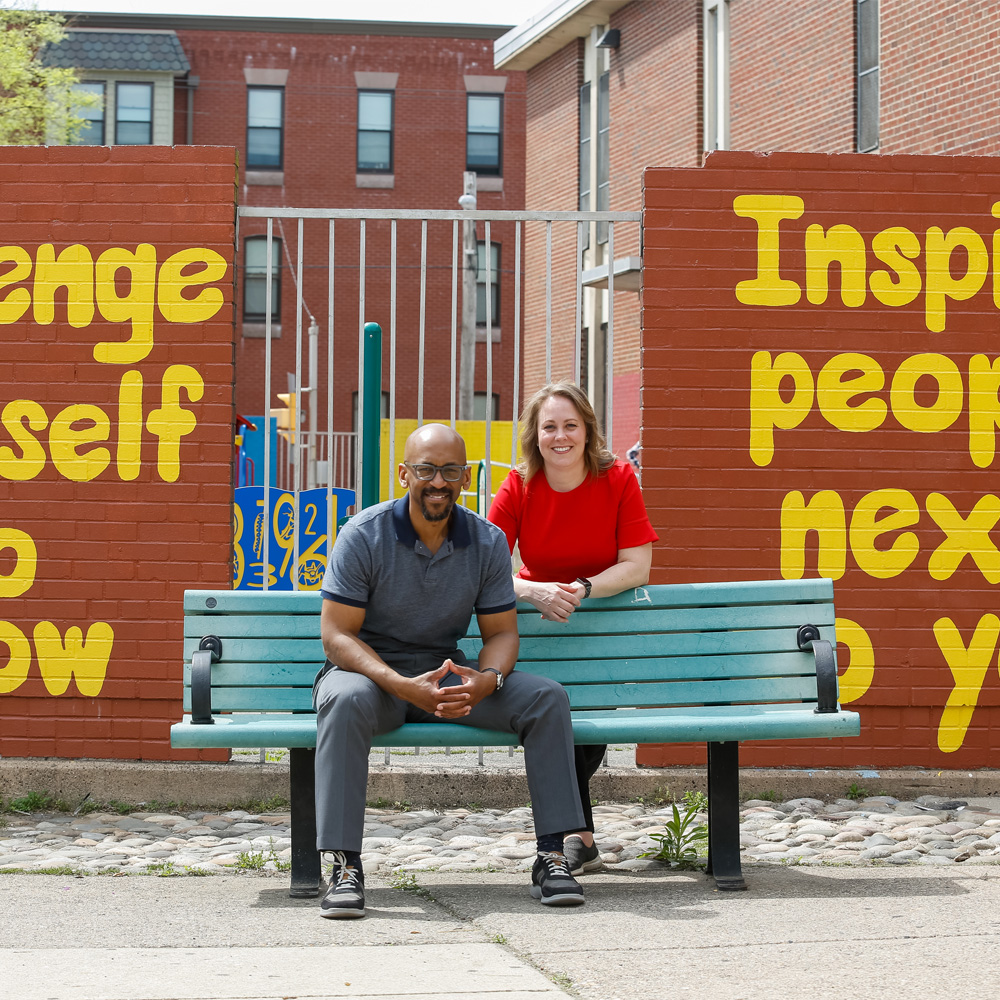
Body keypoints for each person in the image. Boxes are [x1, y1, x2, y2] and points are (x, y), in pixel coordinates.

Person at [313, 422, 588, 918]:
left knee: (546, 698)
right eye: (426, 469)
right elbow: (337, 635)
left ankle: (551, 855)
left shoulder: (486, 541)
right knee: (345, 700)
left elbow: (501, 634)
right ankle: (343, 865)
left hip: (444, 677)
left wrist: (488, 680)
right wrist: (397, 684)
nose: (438, 481)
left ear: (465, 476)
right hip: (372, 679)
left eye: (450, 471)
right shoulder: (364, 535)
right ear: (403, 474)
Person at [488, 381, 658, 875]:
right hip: (542, 625)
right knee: (556, 725)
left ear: (587, 431)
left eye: (570, 426)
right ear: (534, 435)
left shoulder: (619, 477)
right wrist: (531, 589)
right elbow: (484, 565)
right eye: (549, 427)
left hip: (601, 623)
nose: (559, 437)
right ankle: (576, 834)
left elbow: (637, 565)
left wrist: (581, 588)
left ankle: (573, 832)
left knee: (587, 734)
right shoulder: (519, 485)